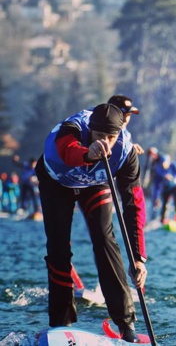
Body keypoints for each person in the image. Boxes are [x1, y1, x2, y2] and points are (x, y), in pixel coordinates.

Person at [35, 103, 147, 342]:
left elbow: (133, 204)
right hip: (57, 183)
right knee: (58, 249)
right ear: (90, 131)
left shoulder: (125, 150)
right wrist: (88, 152)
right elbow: (68, 150)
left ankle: (126, 325)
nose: (106, 142)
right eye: (99, 136)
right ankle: (60, 323)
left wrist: (138, 257)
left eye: (111, 136)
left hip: (94, 184)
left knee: (105, 239)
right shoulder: (72, 129)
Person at [155, 154, 176, 224]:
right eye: (162, 163)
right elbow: (157, 185)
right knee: (164, 204)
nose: (164, 164)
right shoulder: (159, 170)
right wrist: (156, 197)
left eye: (165, 162)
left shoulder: (174, 165)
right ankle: (162, 220)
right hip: (166, 188)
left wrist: (171, 177)